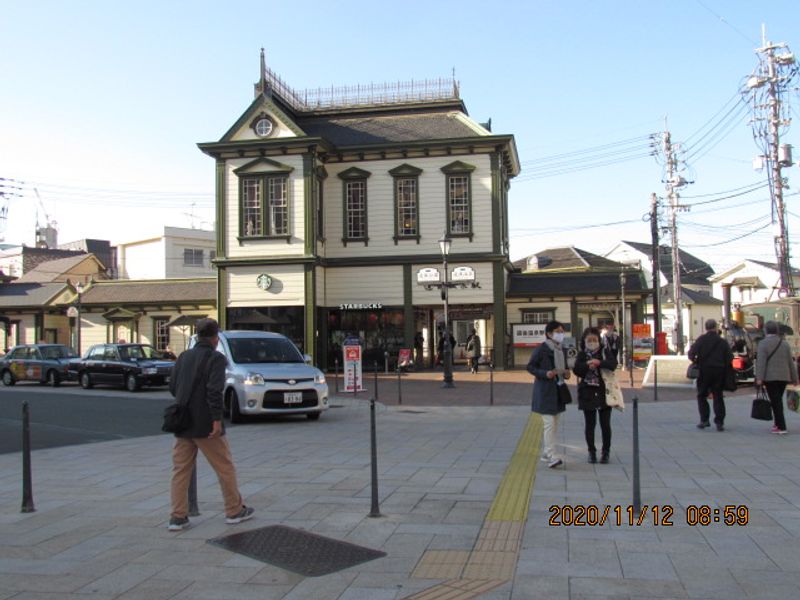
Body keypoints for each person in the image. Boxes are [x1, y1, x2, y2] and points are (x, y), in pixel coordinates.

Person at [167, 318, 253, 531]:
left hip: (182, 420)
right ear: (216, 338)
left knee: (180, 470)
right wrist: (216, 419)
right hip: (206, 421)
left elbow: (173, 387)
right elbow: (214, 391)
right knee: (224, 466)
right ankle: (234, 510)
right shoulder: (216, 359)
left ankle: (178, 516)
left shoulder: (184, 357)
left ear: (197, 335)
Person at [527, 320, 572, 468]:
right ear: (549, 333)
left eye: (562, 331)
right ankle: (552, 455)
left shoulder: (561, 349)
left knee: (555, 424)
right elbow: (530, 367)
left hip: (558, 390)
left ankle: (547, 453)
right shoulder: (542, 349)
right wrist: (545, 373)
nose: (560, 334)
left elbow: (564, 369)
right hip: (545, 391)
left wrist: (566, 374)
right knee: (549, 424)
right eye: (557, 331)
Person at [573, 327, 618, 463]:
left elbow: (613, 364)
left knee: (605, 424)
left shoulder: (604, 352)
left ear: (599, 340)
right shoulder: (582, 355)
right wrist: (587, 365)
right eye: (589, 340)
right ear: (584, 341)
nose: (592, 342)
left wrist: (599, 363)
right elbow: (577, 370)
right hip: (588, 393)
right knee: (590, 424)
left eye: (594, 340)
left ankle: (606, 452)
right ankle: (591, 452)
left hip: (604, 391)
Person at [687, 318, 733, 431]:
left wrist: (696, 361)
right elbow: (729, 357)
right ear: (716, 328)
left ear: (706, 328)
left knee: (701, 395)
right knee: (718, 396)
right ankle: (719, 422)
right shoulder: (722, 341)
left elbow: (691, 353)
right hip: (719, 371)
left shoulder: (701, 340)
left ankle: (704, 420)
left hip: (704, 371)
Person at [755, 320, 797, 435]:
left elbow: (761, 363)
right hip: (784, 376)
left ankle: (781, 426)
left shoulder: (763, 344)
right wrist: (795, 379)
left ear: (766, 330)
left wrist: (759, 378)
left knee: (776, 401)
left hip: (770, 377)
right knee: (777, 400)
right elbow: (790, 362)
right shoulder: (784, 344)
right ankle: (777, 424)